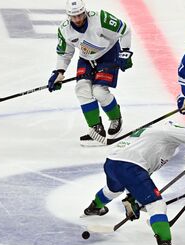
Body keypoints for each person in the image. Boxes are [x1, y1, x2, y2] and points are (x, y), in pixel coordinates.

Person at [82, 120, 185, 245]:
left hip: (112, 162)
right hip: (130, 166)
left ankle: (94, 207)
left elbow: (138, 172)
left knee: (114, 188)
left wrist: (132, 197)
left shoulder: (153, 134)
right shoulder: (171, 130)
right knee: (156, 205)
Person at [48, 0, 134, 147]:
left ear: (85, 11)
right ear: (68, 16)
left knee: (99, 92)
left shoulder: (101, 18)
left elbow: (124, 30)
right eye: (74, 17)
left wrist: (125, 52)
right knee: (81, 88)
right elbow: (64, 53)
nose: (78, 19)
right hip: (86, 58)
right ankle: (96, 128)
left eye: (80, 15)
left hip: (108, 55)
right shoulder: (64, 30)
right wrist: (59, 72)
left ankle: (115, 117)